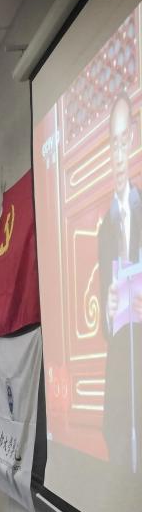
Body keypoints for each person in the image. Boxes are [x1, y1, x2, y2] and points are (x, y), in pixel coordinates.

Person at [100, 93, 142, 470]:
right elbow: (104, 321)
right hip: (121, 368)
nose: (117, 154)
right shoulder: (106, 226)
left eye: (122, 140)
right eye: (111, 143)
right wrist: (110, 310)